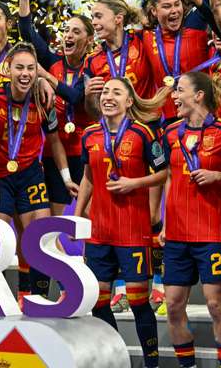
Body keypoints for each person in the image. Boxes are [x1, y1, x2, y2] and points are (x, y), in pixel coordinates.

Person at [75, 77, 168, 367]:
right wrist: (77, 216)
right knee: (99, 301)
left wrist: (134, 183)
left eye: (116, 92)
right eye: (104, 92)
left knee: (139, 301)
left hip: (133, 231)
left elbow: (165, 173)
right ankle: (117, 357)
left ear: (129, 101)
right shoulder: (89, 135)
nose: (108, 96)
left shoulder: (143, 134)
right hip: (99, 231)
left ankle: (151, 362)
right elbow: (88, 177)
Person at [0, 42, 73, 299]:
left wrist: (66, 177)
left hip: (30, 173)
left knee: (38, 237)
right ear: (7, 69)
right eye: (19, 67)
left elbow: (54, 140)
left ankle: (38, 295)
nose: (25, 74)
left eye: (31, 69)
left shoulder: (43, 99)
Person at [161, 71, 221, 368]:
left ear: (199, 95)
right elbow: (169, 177)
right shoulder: (170, 133)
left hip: (211, 232)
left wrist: (219, 176)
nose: (174, 96)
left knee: (217, 305)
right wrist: (165, 222)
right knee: (173, 305)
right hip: (177, 233)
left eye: (179, 90)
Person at [16, 0, 91, 215]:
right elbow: (28, 33)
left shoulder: (93, 66)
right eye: (67, 30)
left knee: (89, 218)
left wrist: (46, 76)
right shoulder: (52, 60)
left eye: (76, 32)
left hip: (85, 153)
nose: (68, 35)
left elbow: (76, 97)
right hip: (53, 151)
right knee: (53, 222)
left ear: (89, 40)